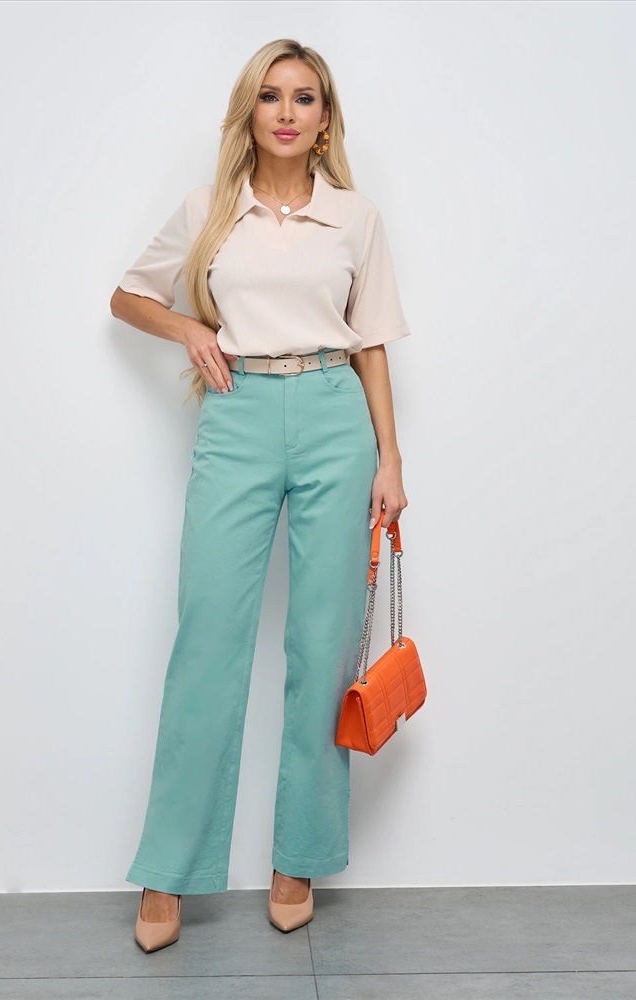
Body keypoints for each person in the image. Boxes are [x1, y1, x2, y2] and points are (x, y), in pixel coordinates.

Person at [110, 37, 411, 953]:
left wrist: (390, 461)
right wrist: (188, 327)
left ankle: (299, 858)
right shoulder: (210, 208)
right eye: (271, 96)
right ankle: (169, 869)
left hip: (333, 416)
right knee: (208, 639)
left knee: (322, 646)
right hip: (237, 413)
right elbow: (126, 296)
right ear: (251, 112)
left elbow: (370, 342)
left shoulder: (355, 218)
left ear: (324, 121)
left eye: (304, 98)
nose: (286, 111)